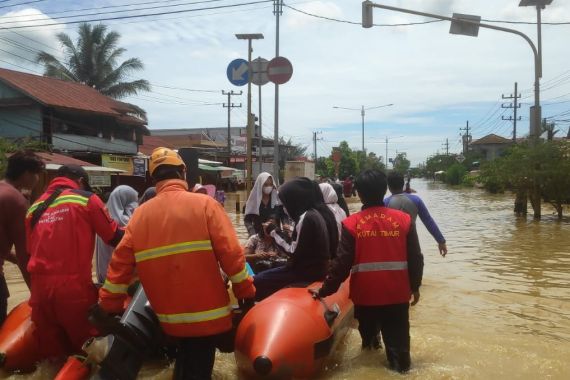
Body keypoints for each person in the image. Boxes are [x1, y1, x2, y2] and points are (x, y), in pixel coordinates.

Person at [99, 147, 255, 380]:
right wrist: (245, 290)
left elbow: (119, 266)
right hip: (208, 317)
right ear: (183, 172)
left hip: (169, 319)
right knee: (198, 369)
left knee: (185, 365)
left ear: (154, 179)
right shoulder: (206, 205)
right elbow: (232, 254)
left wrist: (109, 305)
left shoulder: (139, 216)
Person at [313, 169, 423, 373]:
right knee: (400, 360)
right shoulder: (404, 220)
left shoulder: (351, 224)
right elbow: (416, 257)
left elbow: (341, 265)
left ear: (359, 193)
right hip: (397, 297)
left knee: (370, 350)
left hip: (366, 299)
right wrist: (415, 287)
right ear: (384, 190)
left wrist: (324, 291)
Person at [26, 164, 123, 360]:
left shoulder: (34, 207)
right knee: (87, 351)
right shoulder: (86, 199)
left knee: (51, 356)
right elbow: (114, 237)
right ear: (80, 181)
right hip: (73, 290)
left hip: (39, 292)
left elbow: (29, 251)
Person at [253, 178, 339, 301]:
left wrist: (274, 231)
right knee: (268, 266)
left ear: (293, 200)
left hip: (305, 272)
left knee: (257, 281)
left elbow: (293, 251)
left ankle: (254, 310)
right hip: (315, 268)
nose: (283, 208)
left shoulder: (306, 218)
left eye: (285, 203)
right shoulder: (316, 213)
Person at [0, 150, 44, 324]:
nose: (38, 179)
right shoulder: (16, 200)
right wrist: (36, 296)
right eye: (37, 174)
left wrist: (13, 259)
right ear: (27, 174)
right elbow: (25, 253)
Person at [385, 172, 448, 257]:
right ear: (402, 183)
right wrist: (441, 241)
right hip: (412, 242)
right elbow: (428, 221)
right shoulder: (416, 200)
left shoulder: (385, 203)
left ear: (388, 186)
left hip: (391, 244)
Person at [95, 185, 139, 284]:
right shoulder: (128, 221)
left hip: (104, 275)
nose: (135, 205)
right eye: (132, 201)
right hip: (120, 278)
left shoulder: (104, 218)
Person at [244, 172, 285, 237]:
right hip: (258, 236)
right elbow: (247, 220)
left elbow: (283, 215)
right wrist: (252, 233)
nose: (269, 187)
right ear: (260, 185)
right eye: (265, 185)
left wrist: (286, 225)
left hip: (276, 236)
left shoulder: (277, 199)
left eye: (271, 184)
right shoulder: (253, 201)